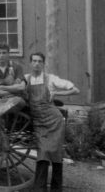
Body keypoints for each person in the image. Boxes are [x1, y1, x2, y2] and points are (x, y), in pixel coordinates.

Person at [25, 52, 79, 191]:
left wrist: (58, 93)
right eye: (34, 61)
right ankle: (39, 188)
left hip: (54, 121)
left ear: (43, 64)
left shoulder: (50, 79)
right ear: (30, 63)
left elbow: (75, 90)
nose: (37, 64)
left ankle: (56, 188)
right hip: (38, 121)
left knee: (56, 154)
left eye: (40, 61)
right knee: (42, 153)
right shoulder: (26, 79)